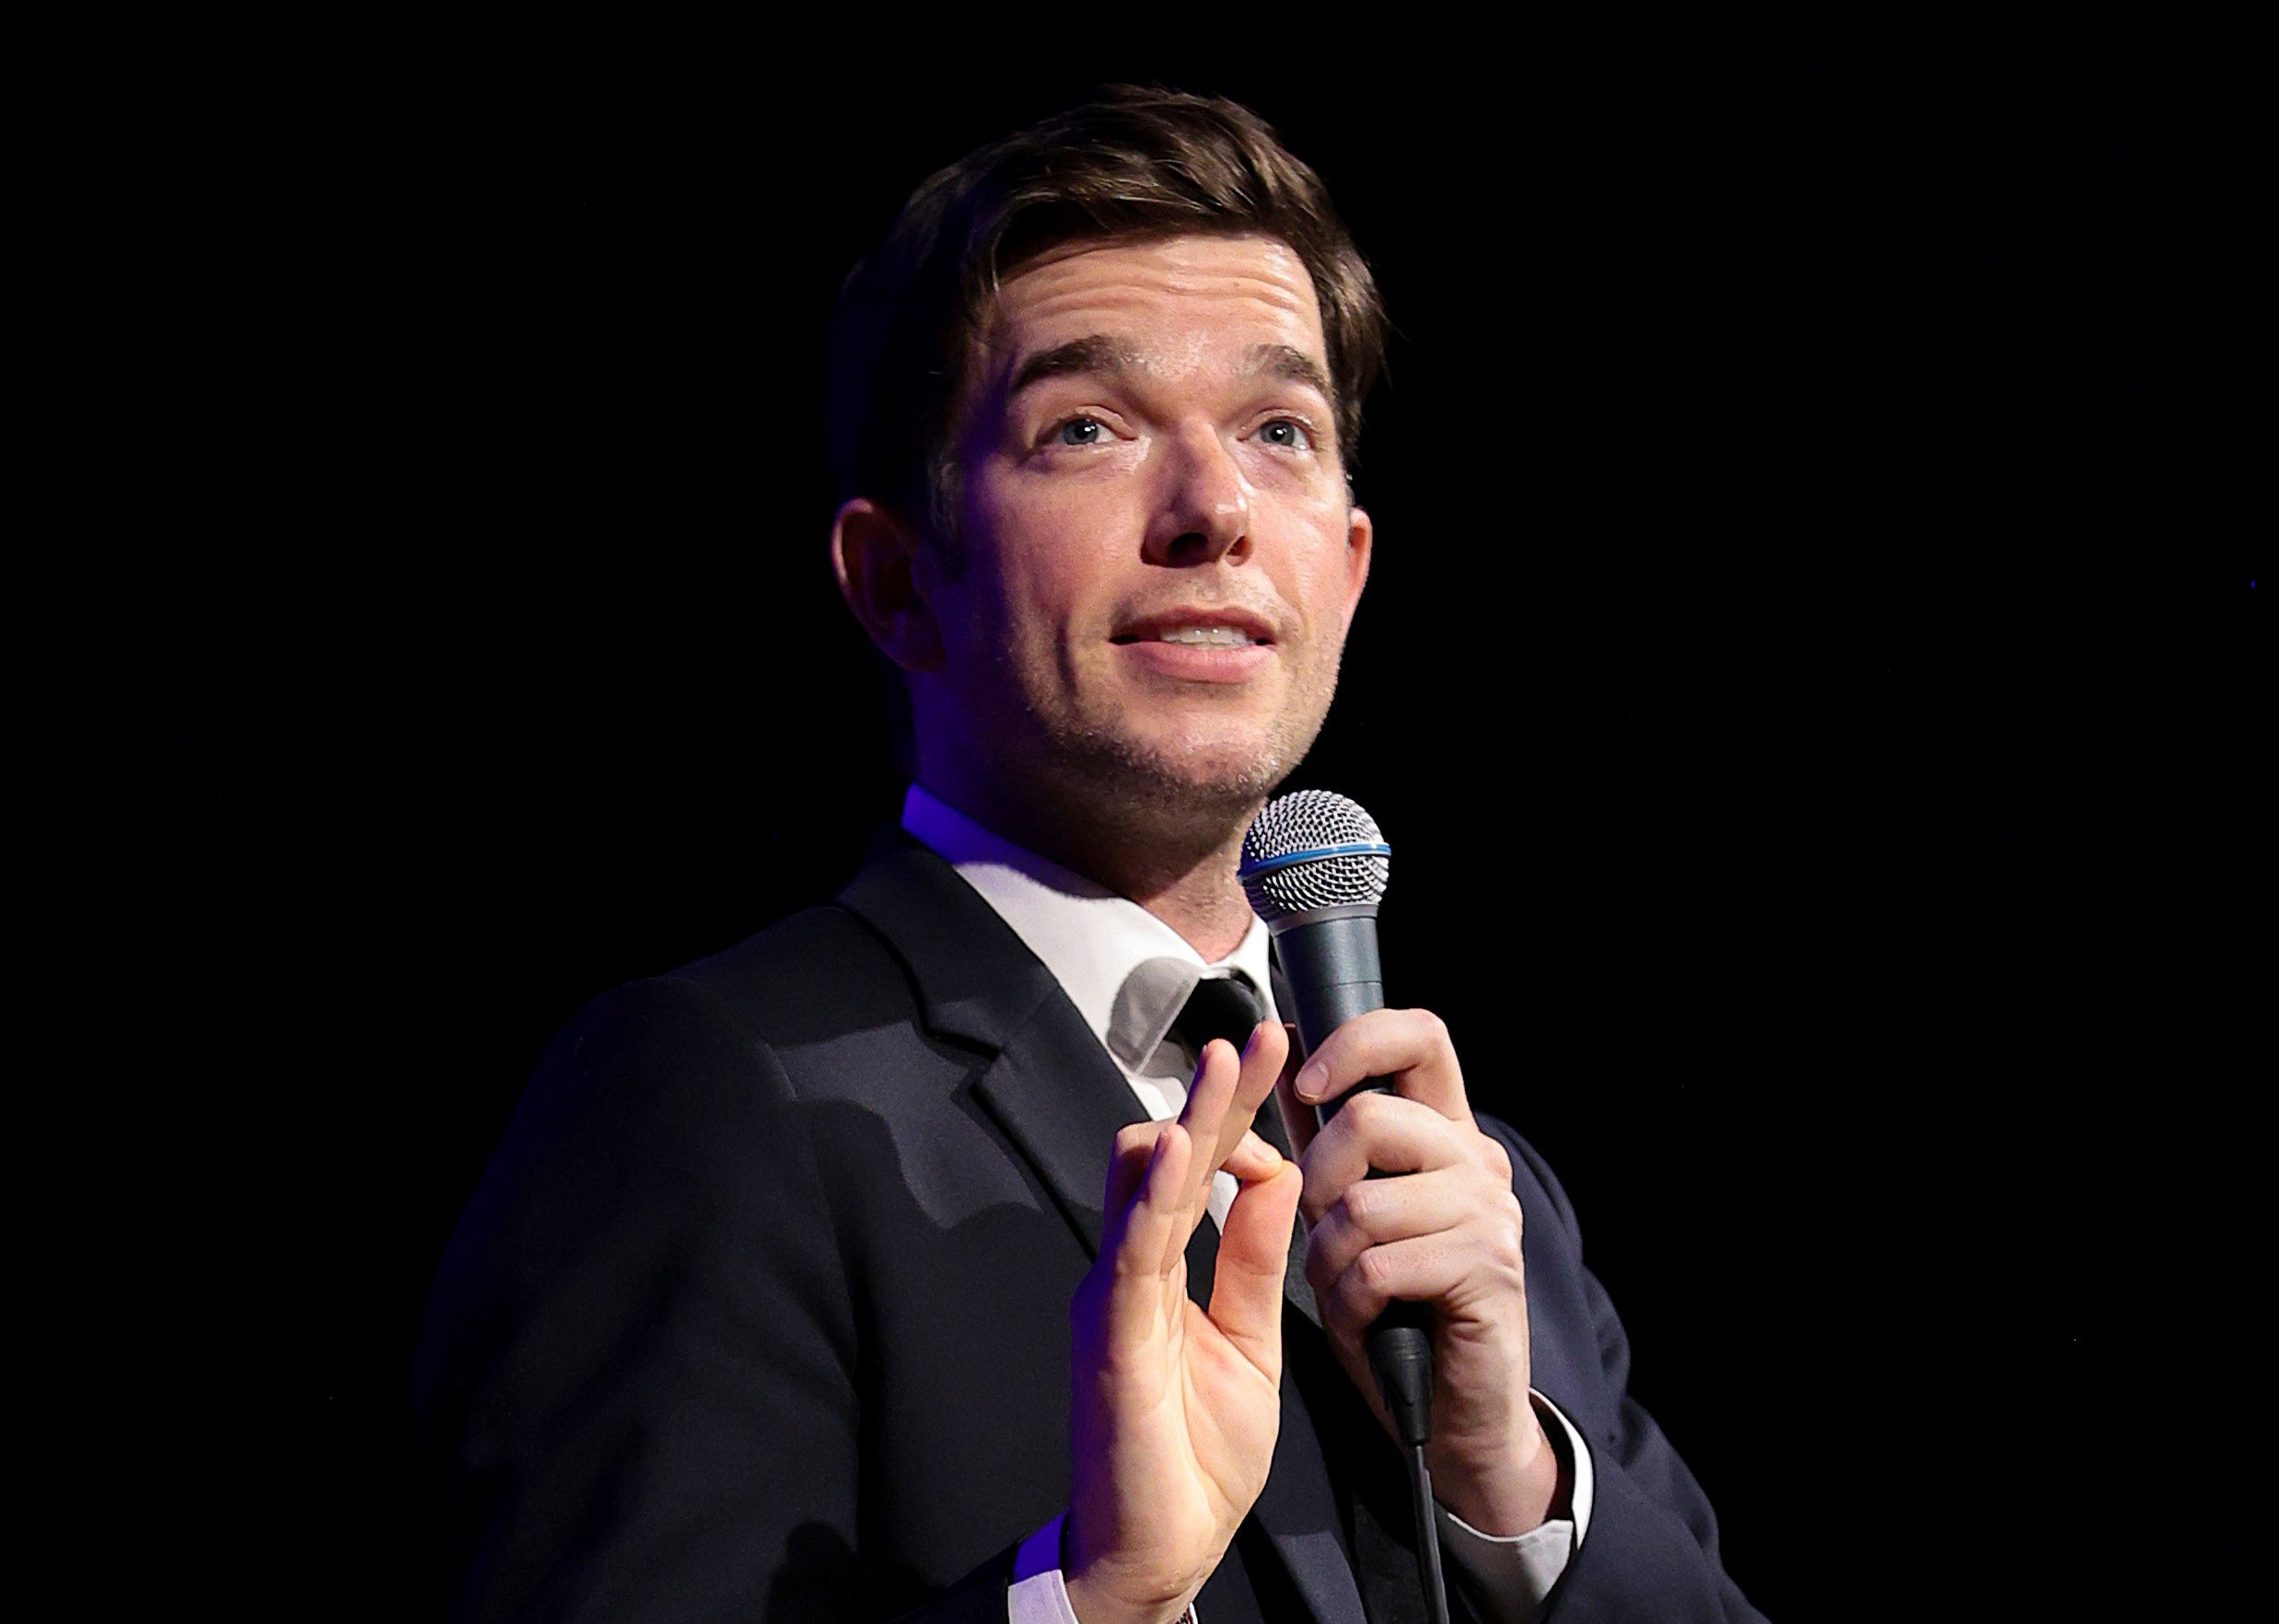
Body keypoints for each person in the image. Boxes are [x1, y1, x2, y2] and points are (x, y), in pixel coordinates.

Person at [414, 88, 1765, 1624]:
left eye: (1279, 431)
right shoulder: (709, 1099)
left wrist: (1505, 1484)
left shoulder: (1474, 1191)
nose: (1214, 513)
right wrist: (1094, 1597)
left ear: (1346, 567)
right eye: (1088, 429)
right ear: (897, 581)